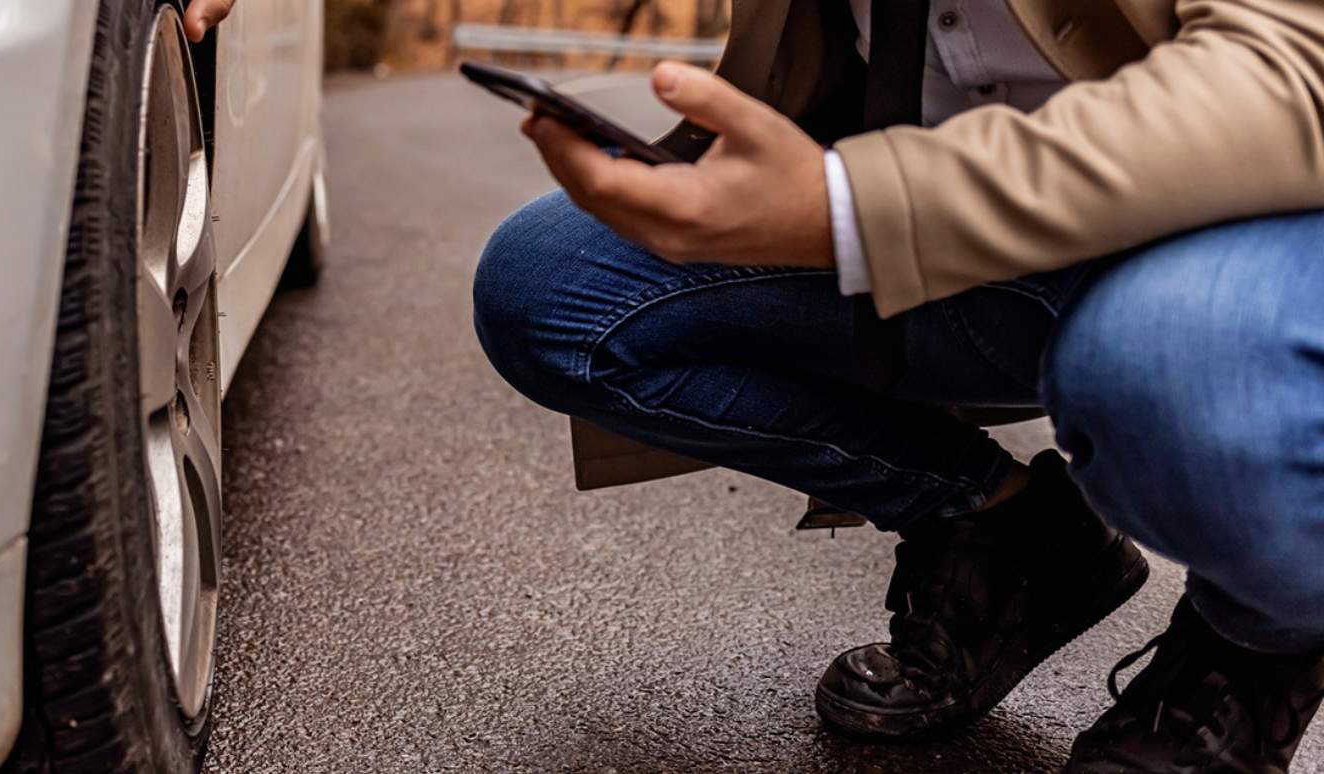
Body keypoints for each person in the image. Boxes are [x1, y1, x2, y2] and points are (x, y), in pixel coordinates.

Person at [471, 0, 1324, 770]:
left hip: (1214, 225)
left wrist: (855, 206)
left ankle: (1257, 642)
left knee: (1169, 358)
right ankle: (1011, 539)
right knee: (551, 292)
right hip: (931, 207)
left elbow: (1296, 69)